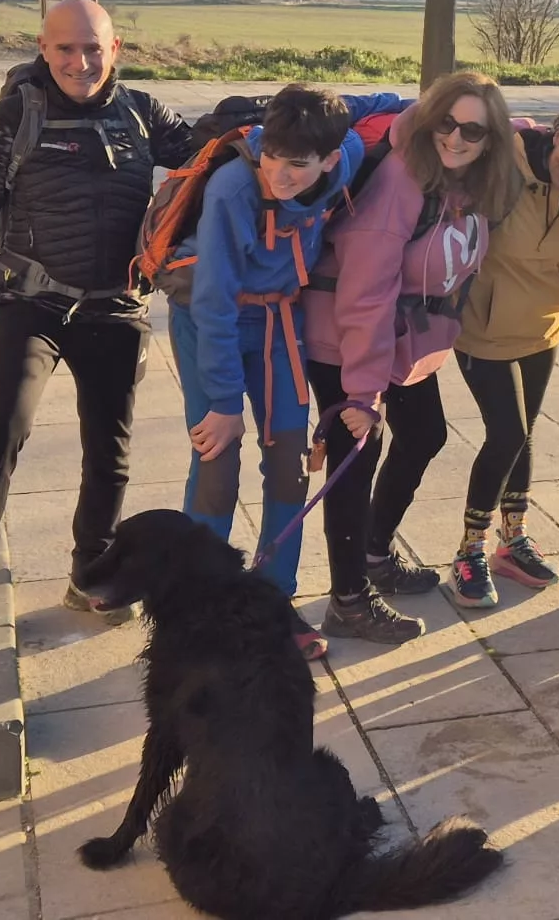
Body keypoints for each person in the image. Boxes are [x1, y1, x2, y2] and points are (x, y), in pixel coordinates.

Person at [0, 0, 193, 657]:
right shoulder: (17, 116)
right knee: (0, 431)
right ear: (43, 49)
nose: (80, 62)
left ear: (115, 48)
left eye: (93, 48)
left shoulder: (142, 113)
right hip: (33, 304)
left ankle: (89, 574)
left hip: (116, 307)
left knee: (110, 449)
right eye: (65, 49)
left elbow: (216, 157)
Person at [169, 83, 401, 659]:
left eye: (297, 165)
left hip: (278, 322)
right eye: (271, 156)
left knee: (291, 466)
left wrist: (424, 108)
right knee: (217, 463)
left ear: (330, 158)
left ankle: (274, 600)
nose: (279, 174)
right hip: (209, 321)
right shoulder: (233, 188)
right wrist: (225, 404)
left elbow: (369, 105)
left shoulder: (346, 154)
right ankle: (198, 609)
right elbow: (213, 303)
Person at [302, 74, 520, 638]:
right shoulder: (401, 179)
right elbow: (365, 292)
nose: (456, 137)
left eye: (473, 130)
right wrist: (363, 392)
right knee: (356, 460)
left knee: (424, 434)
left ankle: (374, 554)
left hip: (401, 341)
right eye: (446, 122)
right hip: (346, 341)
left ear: (491, 139)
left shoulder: (466, 181)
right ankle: (349, 601)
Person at [450, 103, 559, 605]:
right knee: (506, 433)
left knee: (523, 434)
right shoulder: (504, 165)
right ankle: (469, 550)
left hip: (542, 323)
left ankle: (513, 540)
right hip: (483, 325)